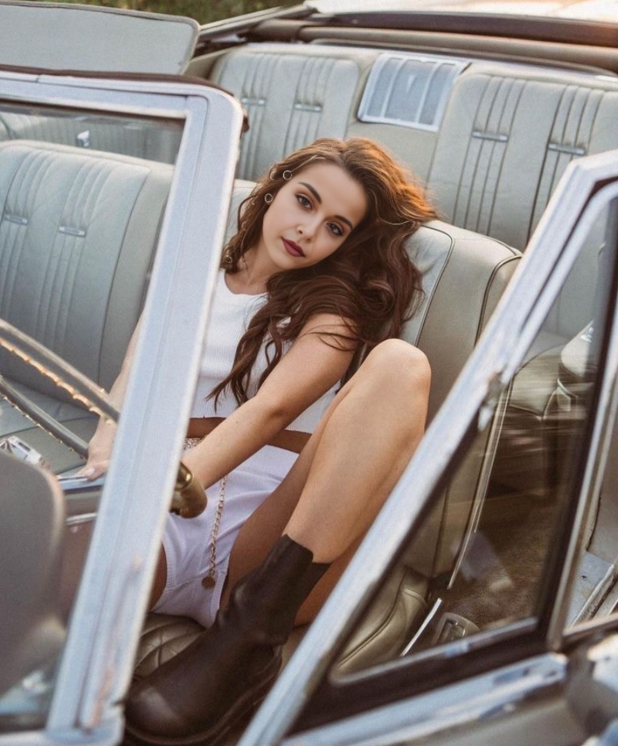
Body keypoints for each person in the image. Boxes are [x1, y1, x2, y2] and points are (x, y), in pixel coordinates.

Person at [85, 137, 434, 745]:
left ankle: (248, 640)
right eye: (305, 201)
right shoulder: (190, 277)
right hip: (168, 514)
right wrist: (104, 458)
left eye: (334, 227)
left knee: (402, 365)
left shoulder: (332, 313)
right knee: (31, 593)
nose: (308, 230)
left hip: (272, 538)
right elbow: (131, 380)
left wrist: (171, 484)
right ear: (274, 188)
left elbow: (271, 411)